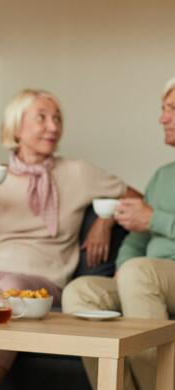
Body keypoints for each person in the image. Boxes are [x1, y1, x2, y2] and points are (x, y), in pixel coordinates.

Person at [0, 88, 140, 390]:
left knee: (10, 291)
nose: (53, 127)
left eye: (57, 118)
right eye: (42, 118)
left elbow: (135, 199)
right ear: (17, 127)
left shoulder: (79, 172)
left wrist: (105, 218)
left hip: (42, 276)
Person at [62, 77, 175, 390]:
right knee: (81, 292)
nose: (162, 118)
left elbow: (151, 223)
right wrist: (122, 273)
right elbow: (138, 239)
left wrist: (156, 219)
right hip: (148, 279)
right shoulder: (163, 176)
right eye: (163, 109)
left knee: (139, 273)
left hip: (156, 276)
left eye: (172, 109)